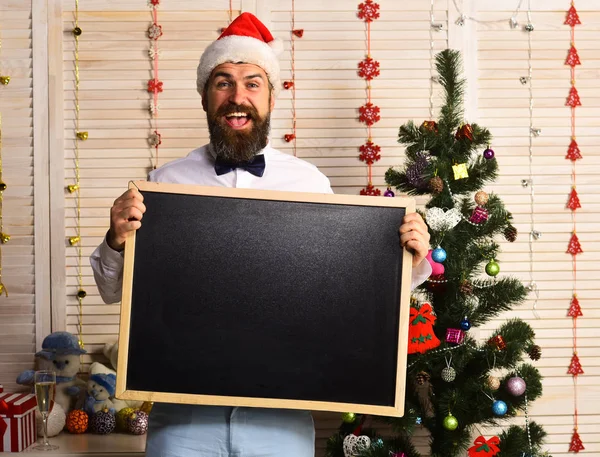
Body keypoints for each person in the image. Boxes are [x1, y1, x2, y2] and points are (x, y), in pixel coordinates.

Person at [90, 12, 432, 457]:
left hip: (280, 423)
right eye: (223, 82)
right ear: (205, 97)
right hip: (183, 422)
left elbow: (353, 295)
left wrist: (411, 256)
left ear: (271, 97)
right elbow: (114, 290)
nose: (238, 97)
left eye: (252, 83)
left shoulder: (309, 184)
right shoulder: (164, 182)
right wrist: (116, 238)